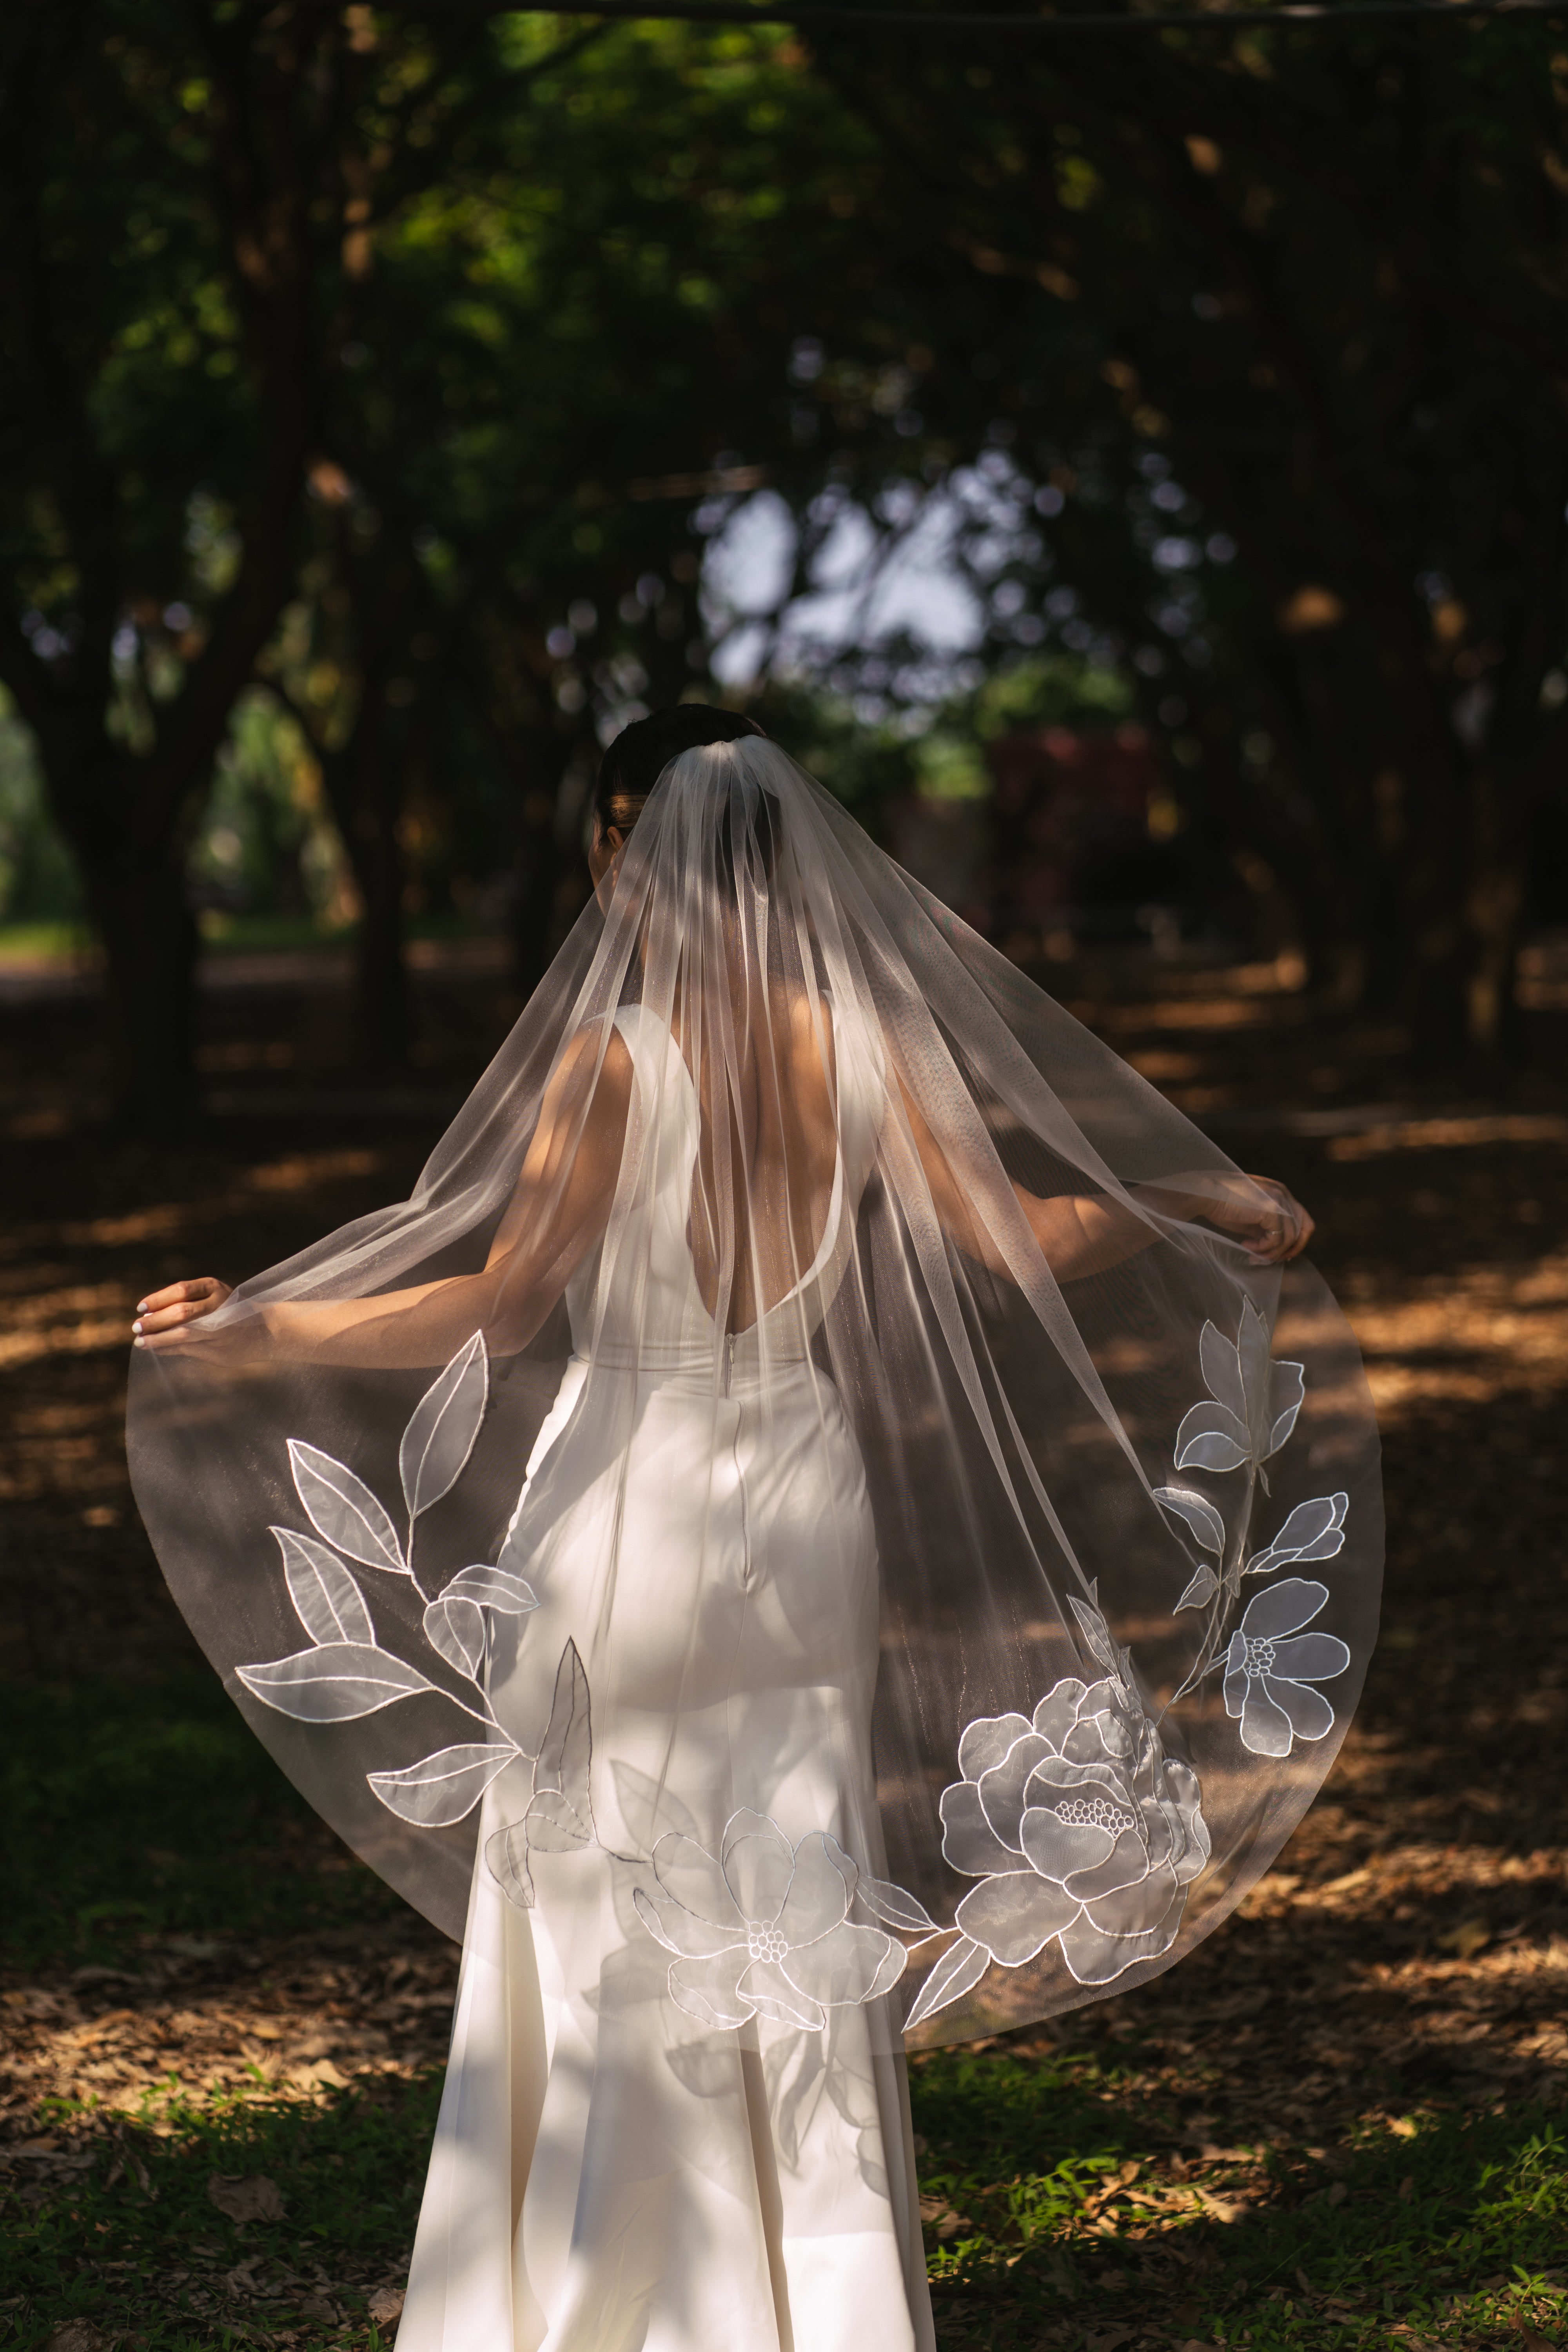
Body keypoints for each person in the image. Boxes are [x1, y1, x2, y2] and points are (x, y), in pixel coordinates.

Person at [128, 708, 1380, 2352]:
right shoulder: (853, 1040)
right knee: (790, 1891)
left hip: (628, 1511)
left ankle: (577, 2303)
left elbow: (499, 1306)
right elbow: (1009, 1238)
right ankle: (808, 2310)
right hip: (802, 1505)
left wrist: (260, 1328)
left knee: (587, 1897)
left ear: (609, 852)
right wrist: (1189, 1202)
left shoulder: (614, 1058)